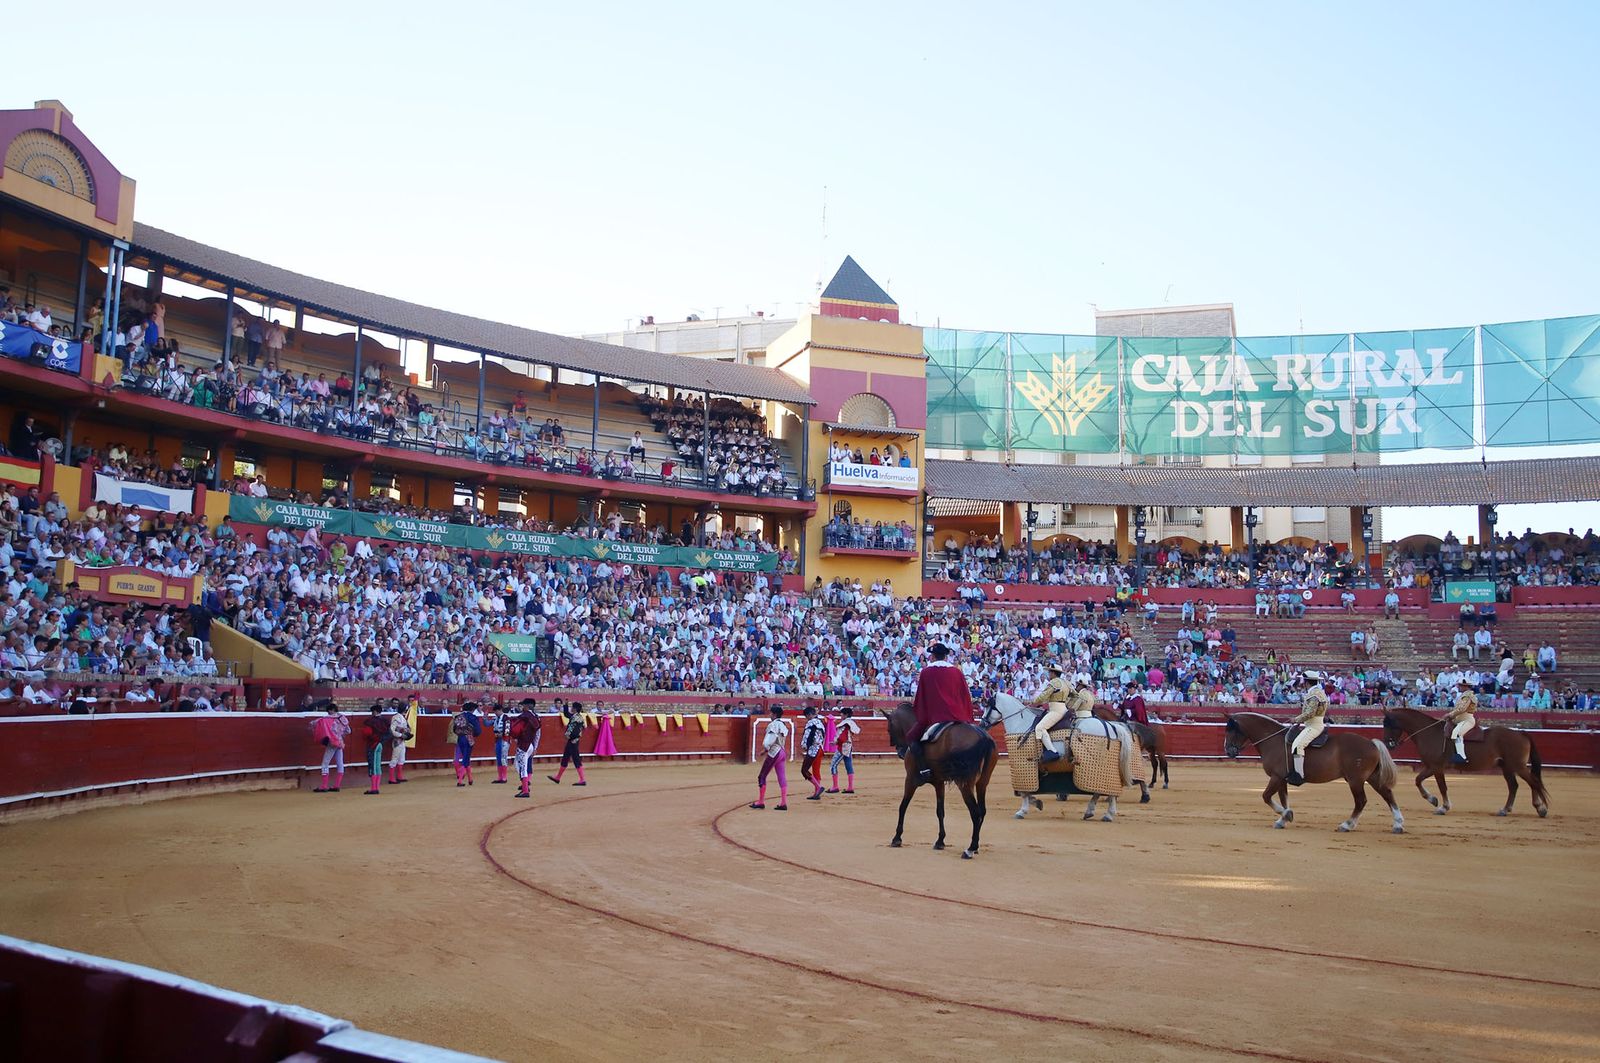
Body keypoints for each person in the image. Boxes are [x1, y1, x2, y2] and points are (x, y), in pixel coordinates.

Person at [905, 642, 977, 779]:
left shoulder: (926, 672)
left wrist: (921, 715)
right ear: (945, 656)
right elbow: (964, 695)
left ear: (932, 656)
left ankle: (924, 769)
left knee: (911, 737)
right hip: (958, 716)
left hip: (935, 717)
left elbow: (922, 697)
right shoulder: (956, 671)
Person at [1286, 671, 1329, 786]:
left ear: (1306, 682)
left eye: (1303, 681)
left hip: (1314, 725)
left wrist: (1295, 719)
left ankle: (1299, 776)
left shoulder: (1314, 694)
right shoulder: (1316, 692)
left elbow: (1310, 713)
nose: (1302, 683)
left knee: (1297, 745)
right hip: (1311, 724)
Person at [1029, 662, 1074, 764]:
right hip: (1063, 708)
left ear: (1054, 673)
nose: (1049, 674)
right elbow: (1075, 695)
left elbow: (1044, 696)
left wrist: (1034, 702)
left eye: (1050, 672)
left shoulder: (1054, 683)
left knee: (1040, 728)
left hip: (1056, 711)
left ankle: (1053, 751)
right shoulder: (1066, 683)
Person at [751, 705, 791, 810]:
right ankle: (783, 803)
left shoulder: (773, 725)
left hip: (774, 752)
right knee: (781, 776)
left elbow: (769, 740)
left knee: (762, 776)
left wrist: (766, 748)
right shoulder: (783, 725)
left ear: (774, 714)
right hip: (782, 752)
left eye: (771, 713)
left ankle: (760, 802)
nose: (770, 715)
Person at [311, 702, 349, 793]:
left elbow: (314, 723)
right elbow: (348, 731)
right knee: (340, 763)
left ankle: (324, 786)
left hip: (332, 743)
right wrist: (340, 736)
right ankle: (337, 785)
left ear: (331, 710)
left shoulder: (326, 719)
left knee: (325, 763)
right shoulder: (342, 718)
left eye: (329, 711)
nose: (328, 713)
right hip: (340, 742)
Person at [548, 703, 587, 785]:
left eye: (572, 707)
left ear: (575, 709)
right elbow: (566, 714)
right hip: (572, 740)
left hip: (573, 741)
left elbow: (576, 731)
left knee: (576, 759)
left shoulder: (576, 718)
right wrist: (565, 704)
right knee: (565, 758)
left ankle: (582, 780)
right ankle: (558, 778)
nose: (571, 708)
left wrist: (571, 737)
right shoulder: (576, 716)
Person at [510, 698, 542, 798]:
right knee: (518, 765)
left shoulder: (523, 716)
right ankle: (525, 786)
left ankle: (525, 790)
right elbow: (538, 734)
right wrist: (535, 747)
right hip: (531, 745)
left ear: (527, 706)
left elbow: (515, 730)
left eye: (523, 705)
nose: (522, 707)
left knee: (522, 768)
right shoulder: (536, 717)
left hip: (523, 745)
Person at [828, 706, 860, 794]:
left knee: (833, 765)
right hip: (848, 746)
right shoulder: (851, 723)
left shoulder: (845, 724)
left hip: (842, 747)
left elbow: (842, 737)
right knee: (848, 766)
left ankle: (835, 787)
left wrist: (835, 742)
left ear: (846, 715)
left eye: (842, 714)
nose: (841, 715)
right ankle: (850, 787)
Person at [451, 701, 483, 786]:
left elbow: (454, 729)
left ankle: (470, 779)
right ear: (472, 709)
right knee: (465, 759)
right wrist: (474, 734)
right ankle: (460, 781)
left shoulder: (458, 716)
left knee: (466, 758)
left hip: (459, 738)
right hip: (468, 739)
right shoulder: (472, 717)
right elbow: (478, 731)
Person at [1446, 683, 1478, 766]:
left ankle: (1462, 757)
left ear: (1466, 687)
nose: (1459, 687)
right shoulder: (1464, 696)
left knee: (1457, 733)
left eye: (1460, 686)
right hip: (1460, 719)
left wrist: (1450, 715)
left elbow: (1462, 709)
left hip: (1466, 719)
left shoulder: (1467, 696)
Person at [360, 702, 388, 795]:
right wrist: (381, 740)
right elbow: (389, 733)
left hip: (372, 745)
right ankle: (376, 787)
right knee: (378, 765)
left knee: (373, 766)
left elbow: (366, 733)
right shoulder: (385, 721)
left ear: (375, 712)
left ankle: (374, 788)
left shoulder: (370, 721)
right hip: (380, 744)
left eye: (372, 712)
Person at [800, 705, 827, 801]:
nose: (806, 718)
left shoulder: (810, 723)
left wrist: (804, 745)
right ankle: (816, 794)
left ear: (809, 715)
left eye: (806, 716)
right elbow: (823, 736)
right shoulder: (820, 723)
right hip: (820, 749)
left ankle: (818, 788)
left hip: (813, 750)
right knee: (816, 771)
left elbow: (807, 736)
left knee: (804, 770)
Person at [387, 695, 415, 784]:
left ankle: (399, 776)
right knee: (394, 758)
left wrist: (406, 732)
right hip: (397, 741)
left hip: (401, 741)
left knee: (402, 759)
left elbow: (405, 728)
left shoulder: (402, 717)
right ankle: (391, 778)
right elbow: (392, 730)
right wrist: (400, 735)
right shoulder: (396, 717)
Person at [490, 703, 513, 784]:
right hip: (497, 740)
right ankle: (500, 777)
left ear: (500, 710)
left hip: (505, 740)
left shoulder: (506, 718)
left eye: (496, 711)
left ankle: (504, 777)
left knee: (503, 758)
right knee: (499, 758)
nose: (495, 713)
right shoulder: (496, 718)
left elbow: (508, 730)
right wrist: (485, 717)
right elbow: (487, 724)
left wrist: (501, 734)